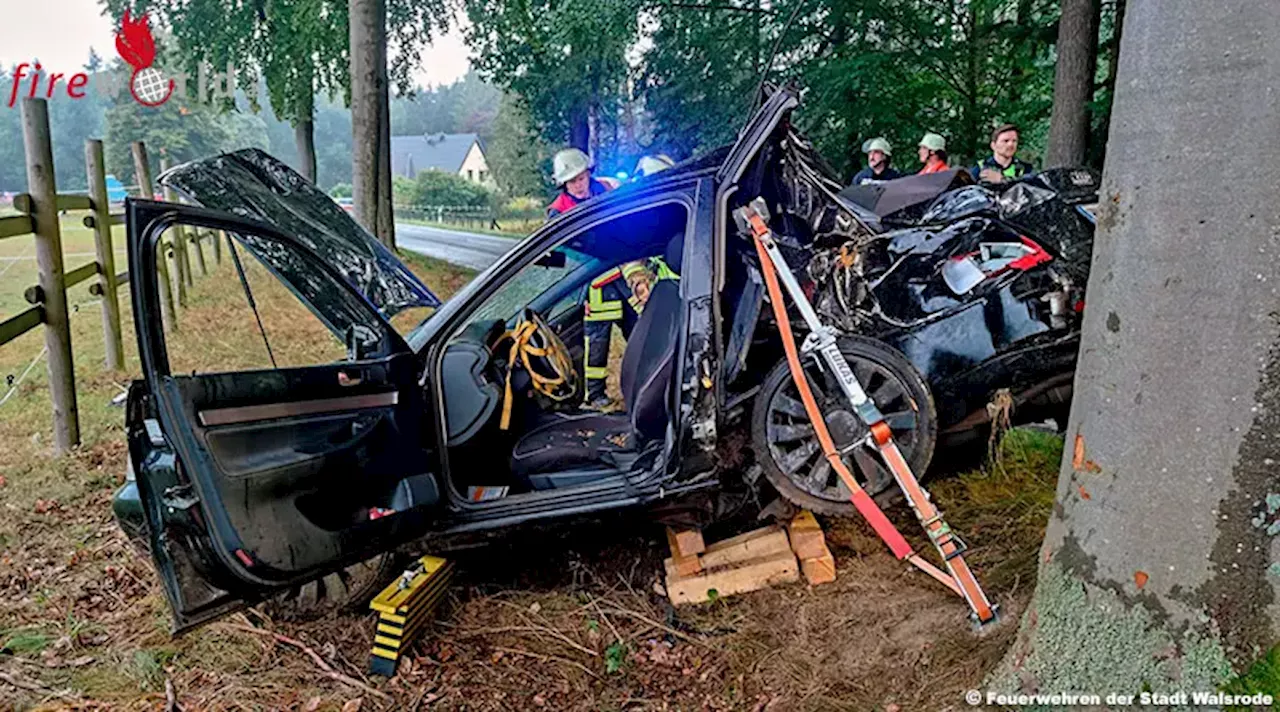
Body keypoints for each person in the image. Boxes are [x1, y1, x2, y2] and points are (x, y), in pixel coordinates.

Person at [546, 148, 619, 218]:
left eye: (581, 179)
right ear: (565, 184)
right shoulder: (558, 210)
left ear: (588, 174)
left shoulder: (605, 188)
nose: (578, 185)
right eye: (572, 181)